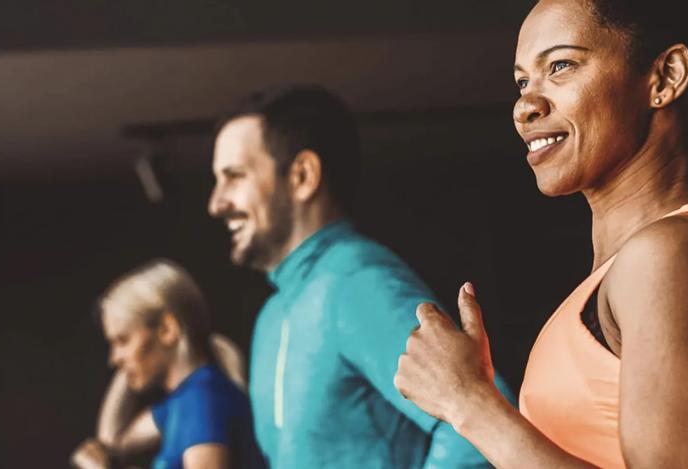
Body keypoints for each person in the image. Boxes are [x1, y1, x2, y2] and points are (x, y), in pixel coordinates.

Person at [393, 0, 688, 468]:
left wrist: (471, 404)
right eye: (523, 81)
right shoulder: (654, 262)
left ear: (665, 77)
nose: (525, 106)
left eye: (561, 66)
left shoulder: (673, 253)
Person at [207, 84, 512, 468]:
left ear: (302, 176)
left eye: (234, 177)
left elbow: (480, 430)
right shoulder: (274, 312)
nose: (216, 203)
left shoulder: (355, 282)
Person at [70, 259, 264, 469]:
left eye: (123, 340)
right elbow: (110, 444)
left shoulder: (200, 400)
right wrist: (128, 361)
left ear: (167, 330)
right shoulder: (182, 402)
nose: (113, 358)